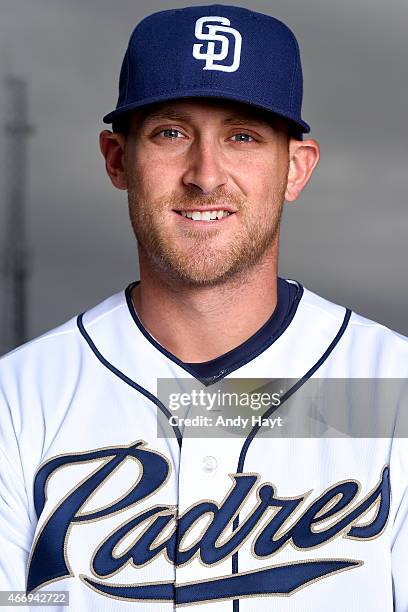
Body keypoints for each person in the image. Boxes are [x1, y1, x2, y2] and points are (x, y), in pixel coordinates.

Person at [1, 4, 407, 611]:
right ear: (118, 160)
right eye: (171, 133)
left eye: (242, 136)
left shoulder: (390, 389)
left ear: (295, 168)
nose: (205, 175)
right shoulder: (20, 400)